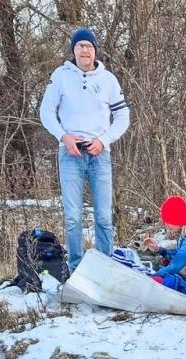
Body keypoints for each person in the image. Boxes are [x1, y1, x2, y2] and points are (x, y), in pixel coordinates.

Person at [39, 27, 130, 272]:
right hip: (70, 154)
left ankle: (107, 267)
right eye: (80, 46)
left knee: (103, 215)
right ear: (74, 50)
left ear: (95, 50)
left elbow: (123, 116)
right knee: (73, 216)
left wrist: (104, 139)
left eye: (88, 46)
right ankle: (76, 267)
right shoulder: (61, 76)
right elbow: (46, 111)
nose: (84, 50)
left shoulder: (108, 79)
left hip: (99, 154)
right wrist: (63, 136)